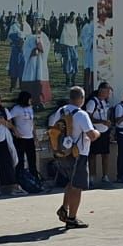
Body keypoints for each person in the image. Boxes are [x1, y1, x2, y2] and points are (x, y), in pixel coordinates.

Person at [51, 86, 99, 229]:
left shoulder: (60, 111)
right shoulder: (81, 114)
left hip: (63, 153)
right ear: (82, 99)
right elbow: (91, 135)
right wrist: (98, 132)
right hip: (79, 154)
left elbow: (52, 129)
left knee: (71, 183)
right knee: (77, 187)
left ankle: (64, 209)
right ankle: (72, 218)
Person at [85, 82, 115, 187]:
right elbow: (88, 118)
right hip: (95, 131)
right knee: (93, 155)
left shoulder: (106, 102)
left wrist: (108, 126)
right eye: (107, 92)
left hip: (105, 131)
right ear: (102, 91)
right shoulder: (92, 102)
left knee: (105, 154)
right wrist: (101, 122)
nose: (109, 94)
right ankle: (92, 177)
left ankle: (105, 176)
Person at [19, 16, 53, 105]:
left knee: (40, 78)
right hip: (31, 63)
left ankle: (41, 100)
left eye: (39, 24)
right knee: (31, 78)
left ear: (42, 25)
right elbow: (25, 50)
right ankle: (30, 99)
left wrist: (40, 46)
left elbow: (46, 48)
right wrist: (32, 51)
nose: (37, 25)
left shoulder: (44, 37)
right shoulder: (29, 37)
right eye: (36, 23)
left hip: (40, 62)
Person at [10, 90, 38, 182]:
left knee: (32, 161)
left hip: (30, 137)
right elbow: (8, 119)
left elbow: (32, 122)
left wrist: (35, 135)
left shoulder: (30, 108)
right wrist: (15, 130)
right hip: (20, 138)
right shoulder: (16, 109)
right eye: (30, 99)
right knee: (20, 161)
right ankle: (20, 181)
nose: (31, 100)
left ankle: (35, 180)